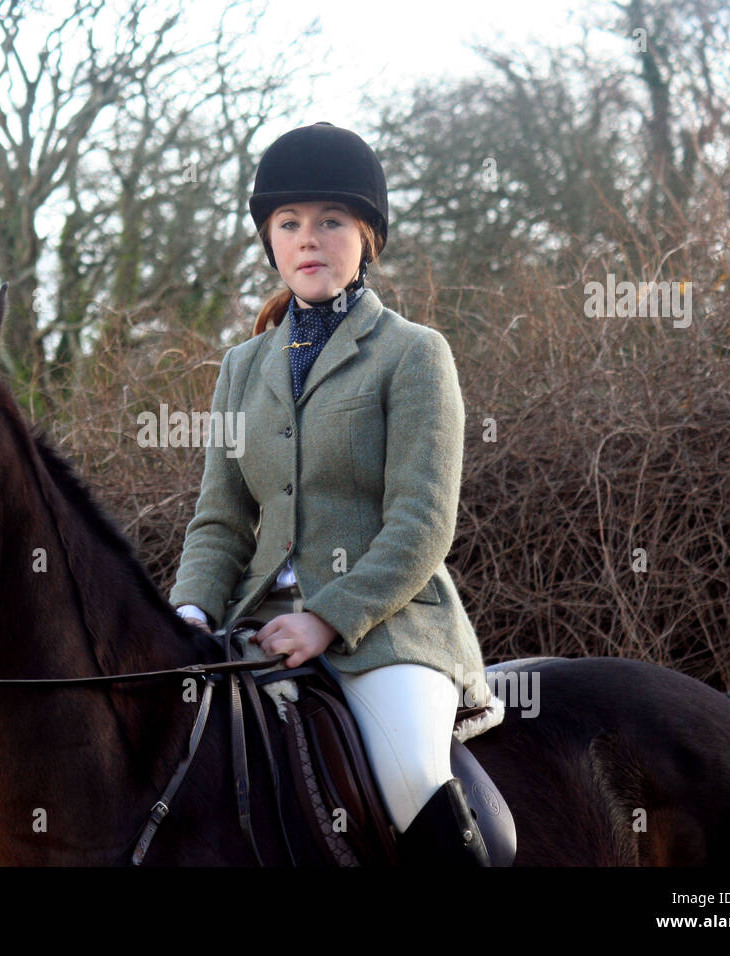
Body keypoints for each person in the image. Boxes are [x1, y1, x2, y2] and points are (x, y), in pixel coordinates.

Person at [169, 122, 493, 866]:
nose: (308, 238)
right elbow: (220, 522)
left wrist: (325, 619)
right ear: (271, 242)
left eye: (330, 221)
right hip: (256, 626)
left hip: (389, 630)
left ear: (366, 236)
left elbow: (421, 524)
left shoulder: (414, 354)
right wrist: (188, 613)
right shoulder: (240, 367)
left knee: (413, 775)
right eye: (289, 224)